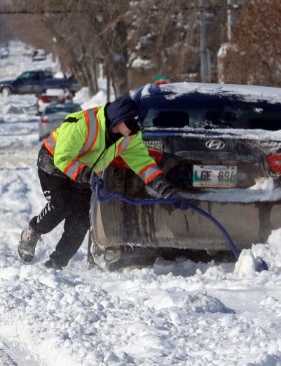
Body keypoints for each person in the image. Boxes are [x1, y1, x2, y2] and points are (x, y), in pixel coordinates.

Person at [17, 95, 179, 269]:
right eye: (132, 125)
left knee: (81, 221)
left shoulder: (130, 137)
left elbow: (143, 164)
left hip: (86, 174)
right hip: (53, 165)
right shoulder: (84, 124)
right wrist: (87, 175)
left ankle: (56, 263)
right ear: (119, 120)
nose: (135, 130)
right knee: (61, 204)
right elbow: (63, 158)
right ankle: (33, 231)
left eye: (138, 126)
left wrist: (164, 187)